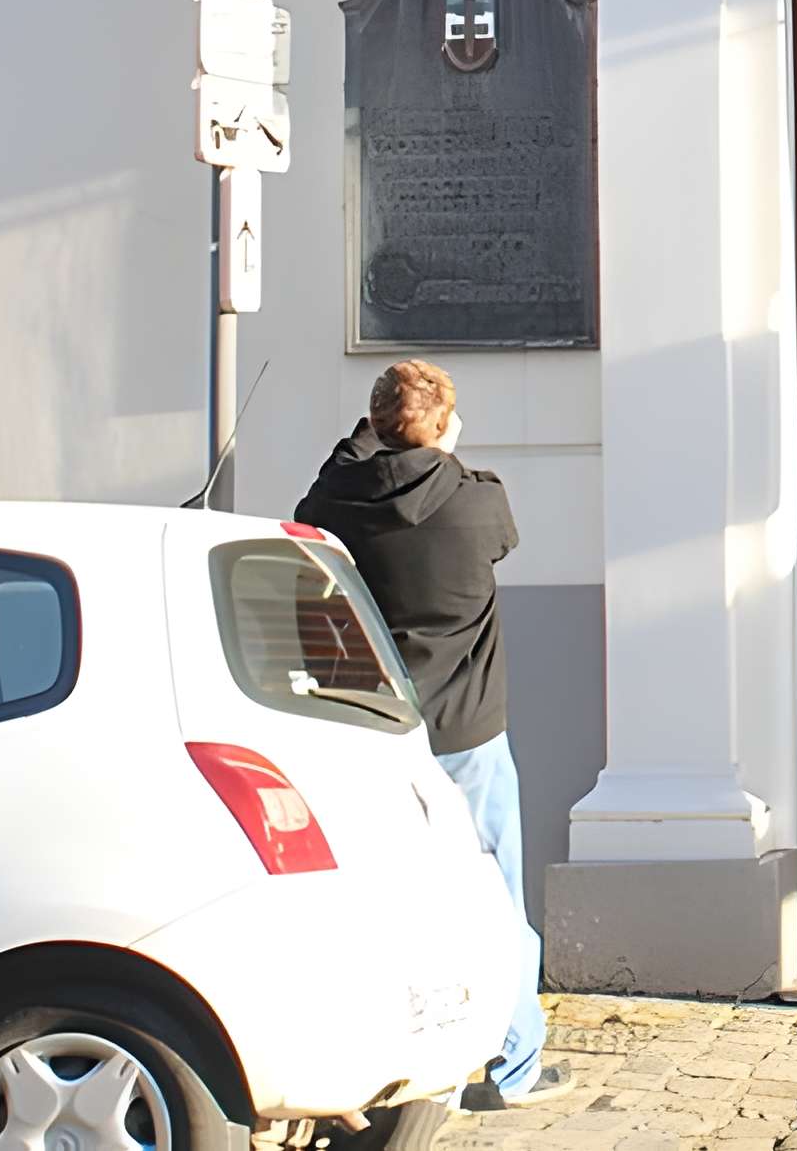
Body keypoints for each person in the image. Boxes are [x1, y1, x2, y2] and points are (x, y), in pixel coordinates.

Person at [297, 360, 566, 1110]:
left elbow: (340, 470)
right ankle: (514, 1064)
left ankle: (412, 1063)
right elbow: (491, 518)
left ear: (377, 426)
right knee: (498, 894)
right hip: (469, 735)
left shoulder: (336, 502)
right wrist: (438, 445)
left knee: (393, 897)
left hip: (379, 735)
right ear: (444, 427)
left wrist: (381, 432)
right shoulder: (476, 503)